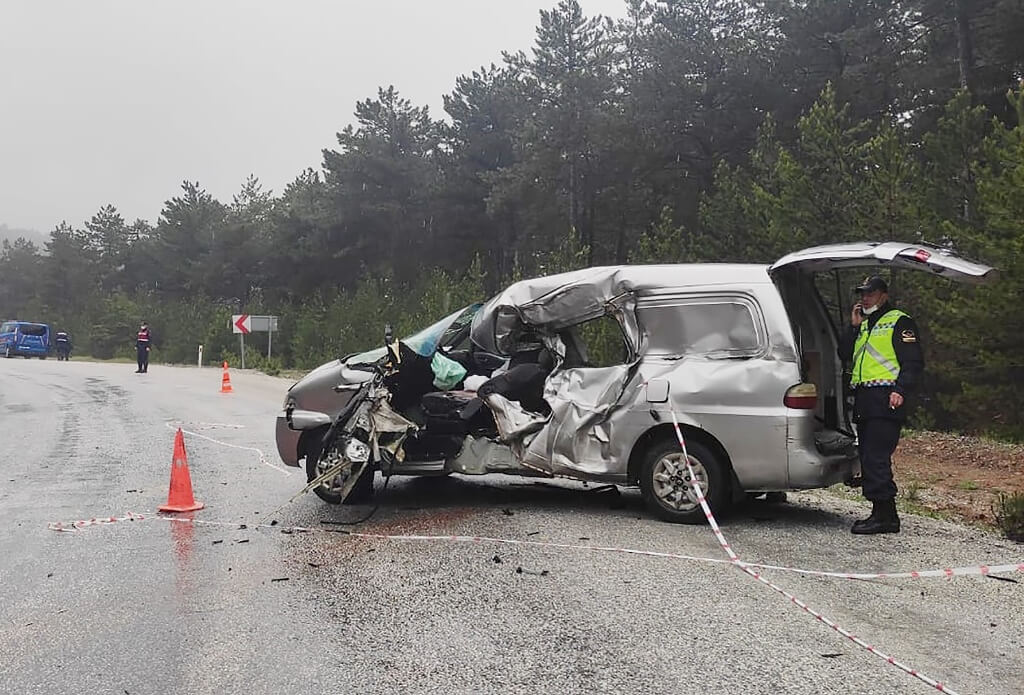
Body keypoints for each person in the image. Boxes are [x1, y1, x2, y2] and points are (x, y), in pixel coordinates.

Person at [838, 275, 924, 535]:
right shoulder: (864, 325)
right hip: (865, 399)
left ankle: (885, 516)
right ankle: (881, 513)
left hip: (887, 399)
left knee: (876, 457)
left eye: (871, 293)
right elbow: (844, 355)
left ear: (883, 295)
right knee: (868, 456)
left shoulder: (899, 321)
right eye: (862, 293)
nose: (865, 298)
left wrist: (901, 389)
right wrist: (853, 327)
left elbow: (913, 362)